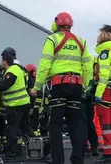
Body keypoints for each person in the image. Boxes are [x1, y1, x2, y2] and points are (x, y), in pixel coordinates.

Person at [31, 12, 92, 164]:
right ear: (70, 24)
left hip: (58, 85)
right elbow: (88, 66)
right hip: (77, 85)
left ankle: (58, 160)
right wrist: (84, 85)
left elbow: (45, 64)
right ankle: (78, 159)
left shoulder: (52, 39)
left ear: (56, 24)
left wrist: (37, 86)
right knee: (75, 124)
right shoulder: (81, 41)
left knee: (56, 124)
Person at [0, 53, 34, 159]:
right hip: (23, 103)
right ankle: (36, 148)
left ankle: (11, 153)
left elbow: (5, 86)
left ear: (5, 61)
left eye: (2, 60)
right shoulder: (18, 69)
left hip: (15, 105)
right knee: (25, 128)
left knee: (11, 129)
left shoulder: (12, 71)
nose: (1, 62)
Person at [93, 25, 111, 163]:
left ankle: (108, 152)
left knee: (105, 122)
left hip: (106, 91)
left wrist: (98, 93)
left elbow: (104, 75)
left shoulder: (105, 52)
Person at [26, 64, 41, 136]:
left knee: (35, 124)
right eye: (33, 71)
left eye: (35, 71)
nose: (35, 73)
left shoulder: (35, 80)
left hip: (36, 107)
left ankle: (35, 137)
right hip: (31, 106)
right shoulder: (29, 81)